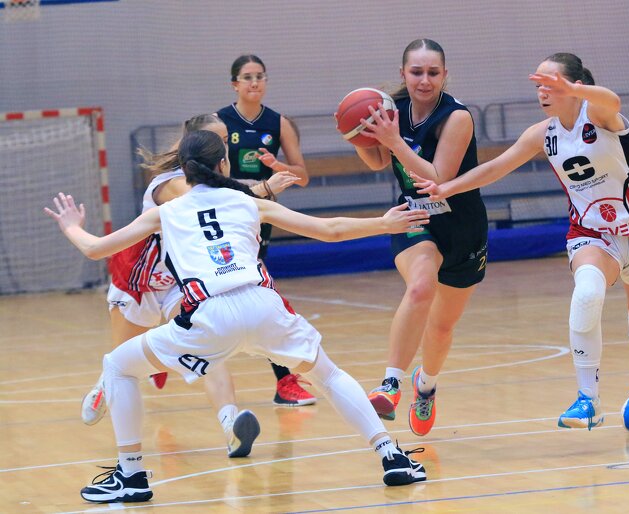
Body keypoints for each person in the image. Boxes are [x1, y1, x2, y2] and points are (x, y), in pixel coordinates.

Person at [45, 130, 430, 503]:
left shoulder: (167, 212)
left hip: (210, 315)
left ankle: (130, 476)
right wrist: (384, 223)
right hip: (263, 305)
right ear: (223, 164)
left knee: (118, 366)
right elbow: (329, 230)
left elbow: (95, 249)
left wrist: (71, 226)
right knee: (328, 375)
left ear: (184, 170)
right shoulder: (248, 201)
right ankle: (391, 456)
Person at [411, 52, 629, 431]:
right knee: (586, 294)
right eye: (539, 85)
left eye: (550, 84)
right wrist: (446, 188)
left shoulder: (599, 115)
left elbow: (613, 100)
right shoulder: (543, 134)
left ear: (574, 85)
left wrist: (575, 90)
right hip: (592, 234)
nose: (542, 92)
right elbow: (495, 167)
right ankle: (588, 399)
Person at [82, 114, 299, 459]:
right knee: (121, 360)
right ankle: (103, 386)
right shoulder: (168, 182)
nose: (225, 146)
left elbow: (224, 197)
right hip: (138, 279)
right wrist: (264, 189)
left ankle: (231, 426)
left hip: (179, 281)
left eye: (227, 139)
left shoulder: (216, 184)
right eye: (220, 140)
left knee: (209, 350)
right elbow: (209, 202)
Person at [342, 39, 488, 436]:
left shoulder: (456, 117)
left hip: (462, 227)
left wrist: (392, 140)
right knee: (421, 287)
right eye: (416, 72)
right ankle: (390, 384)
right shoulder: (391, 110)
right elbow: (377, 160)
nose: (424, 80)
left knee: (441, 328)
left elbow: (437, 177)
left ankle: (426, 385)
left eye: (432, 72)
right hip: (415, 218)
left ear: (445, 75)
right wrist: (358, 135)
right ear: (403, 73)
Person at [217, 54, 316, 407]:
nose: (254, 82)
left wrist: (277, 165)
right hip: (224, 215)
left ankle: (285, 381)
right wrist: (247, 186)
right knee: (249, 291)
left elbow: (302, 176)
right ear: (235, 84)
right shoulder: (219, 122)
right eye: (247, 77)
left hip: (259, 215)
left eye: (260, 76)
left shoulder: (279, 123)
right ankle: (285, 380)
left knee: (258, 291)